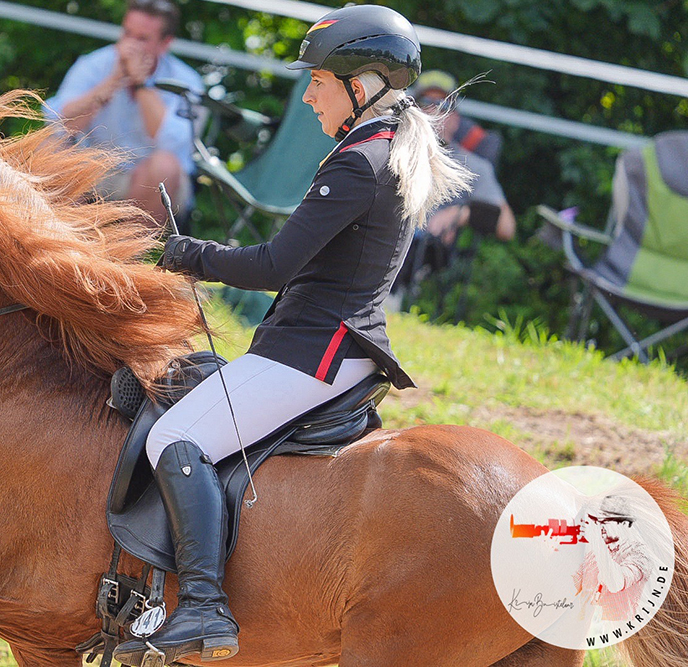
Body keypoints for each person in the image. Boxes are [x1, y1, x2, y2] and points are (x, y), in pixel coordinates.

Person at [112, 5, 473, 665]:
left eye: (321, 81)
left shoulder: (357, 163)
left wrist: (184, 254)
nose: (308, 93)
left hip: (312, 353)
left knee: (176, 435)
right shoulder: (378, 150)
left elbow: (274, 264)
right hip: (331, 349)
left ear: (361, 84)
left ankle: (200, 606)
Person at [43, 0, 202, 227]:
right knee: (50, 148)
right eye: (127, 33)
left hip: (154, 178)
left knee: (164, 166)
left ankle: (129, 256)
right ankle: (60, 244)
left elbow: (174, 145)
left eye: (142, 39)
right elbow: (59, 125)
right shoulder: (94, 64)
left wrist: (142, 84)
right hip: (96, 169)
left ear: (165, 44)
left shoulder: (187, 81)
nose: (130, 45)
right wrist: (112, 82)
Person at [412, 71, 516, 244]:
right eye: (426, 102)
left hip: (425, 260)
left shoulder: (472, 167)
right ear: (413, 109)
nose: (434, 111)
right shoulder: (389, 150)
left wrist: (461, 214)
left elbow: (507, 227)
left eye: (443, 104)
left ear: (455, 118)